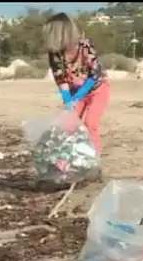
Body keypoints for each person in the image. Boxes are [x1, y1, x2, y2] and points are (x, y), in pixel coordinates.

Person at [43, 12, 110, 154]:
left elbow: (94, 74)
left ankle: (93, 157)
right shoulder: (55, 53)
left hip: (98, 89)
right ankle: (71, 156)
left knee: (90, 123)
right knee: (69, 124)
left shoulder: (85, 46)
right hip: (74, 91)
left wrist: (77, 97)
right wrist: (68, 101)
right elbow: (60, 78)